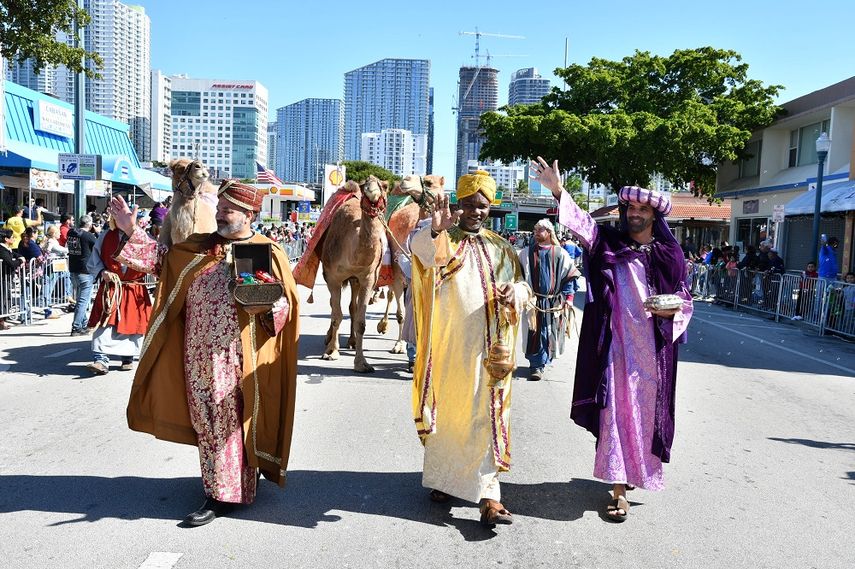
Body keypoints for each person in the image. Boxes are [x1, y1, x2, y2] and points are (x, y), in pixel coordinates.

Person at [108, 180, 299, 527]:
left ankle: (219, 495)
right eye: (220, 208)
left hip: (238, 358)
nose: (221, 215)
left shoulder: (266, 251)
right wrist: (131, 229)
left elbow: (283, 310)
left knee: (224, 421)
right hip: (194, 353)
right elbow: (162, 263)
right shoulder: (199, 247)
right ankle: (234, 484)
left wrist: (257, 291)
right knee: (206, 421)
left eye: (230, 210)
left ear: (250, 215)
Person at [531, 157, 693, 523]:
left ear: (653, 214)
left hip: (653, 353)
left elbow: (685, 297)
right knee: (616, 414)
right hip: (615, 349)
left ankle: (635, 471)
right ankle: (618, 488)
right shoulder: (609, 242)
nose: (634, 213)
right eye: (630, 207)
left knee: (644, 416)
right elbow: (584, 225)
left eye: (641, 208)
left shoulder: (670, 253)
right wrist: (558, 189)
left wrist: (674, 311)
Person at [409, 171, 532, 528]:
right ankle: (446, 480)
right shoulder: (443, 238)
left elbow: (525, 288)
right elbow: (422, 255)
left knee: (488, 415)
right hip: (451, 348)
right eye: (469, 205)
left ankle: (489, 496)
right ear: (458, 205)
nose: (476, 212)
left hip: (493, 350)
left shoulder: (502, 247)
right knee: (450, 413)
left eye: (482, 206)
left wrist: (516, 293)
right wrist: (435, 231)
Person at [83, 218, 153, 375]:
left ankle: (127, 358)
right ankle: (101, 360)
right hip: (111, 288)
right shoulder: (106, 236)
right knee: (104, 323)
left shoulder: (143, 237)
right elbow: (95, 259)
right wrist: (102, 272)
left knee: (132, 325)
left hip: (134, 289)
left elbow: (154, 260)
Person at [519, 219, 580, 381]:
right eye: (535, 229)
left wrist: (569, 298)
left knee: (549, 334)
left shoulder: (560, 253)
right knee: (534, 333)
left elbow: (570, 277)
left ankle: (543, 362)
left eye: (540, 230)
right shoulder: (525, 253)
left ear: (548, 232)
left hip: (554, 303)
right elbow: (518, 277)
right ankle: (535, 366)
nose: (536, 232)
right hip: (533, 303)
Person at [67, 215, 98, 336]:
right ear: (90, 225)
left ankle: (84, 323)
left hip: (73, 270)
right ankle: (76, 327)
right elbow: (99, 246)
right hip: (85, 271)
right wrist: (96, 233)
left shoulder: (71, 232)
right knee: (83, 301)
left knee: (81, 300)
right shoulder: (88, 236)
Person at [41, 225, 71, 319]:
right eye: (58, 232)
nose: (60, 233)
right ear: (54, 234)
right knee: (48, 289)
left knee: (52, 286)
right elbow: (60, 250)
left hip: (55, 267)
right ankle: (48, 311)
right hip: (51, 268)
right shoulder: (51, 241)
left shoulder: (53, 241)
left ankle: (67, 295)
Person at [0, 229, 26, 330]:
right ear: (6, 239)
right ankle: (1, 321)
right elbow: (10, 263)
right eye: (12, 237)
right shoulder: (1, 250)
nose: (14, 239)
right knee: (2, 299)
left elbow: (15, 254)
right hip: (2, 277)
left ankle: (3, 319)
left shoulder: (7, 248)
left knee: (6, 298)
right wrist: (20, 261)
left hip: (7, 277)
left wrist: (20, 257)